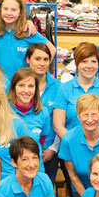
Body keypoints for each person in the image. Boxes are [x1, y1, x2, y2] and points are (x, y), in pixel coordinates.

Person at [53, 42, 99, 139]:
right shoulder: (64, 89)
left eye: (93, 61)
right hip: (72, 146)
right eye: (84, 61)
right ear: (76, 63)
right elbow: (58, 126)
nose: (89, 66)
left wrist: (98, 144)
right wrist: (74, 144)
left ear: (98, 63)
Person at [0, 0, 56, 81]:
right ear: (0, 10)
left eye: (13, 10)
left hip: (23, 85)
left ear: (20, 12)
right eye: (5, 9)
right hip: (1, 84)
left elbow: (52, 49)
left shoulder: (27, 31)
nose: (9, 13)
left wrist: (39, 72)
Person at [25, 43, 61, 184]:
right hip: (24, 153)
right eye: (37, 59)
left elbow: (60, 122)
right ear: (28, 59)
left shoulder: (58, 87)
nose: (42, 63)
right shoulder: (19, 85)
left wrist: (53, 149)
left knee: (46, 194)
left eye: (46, 59)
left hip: (49, 152)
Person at [8, 68, 52, 147]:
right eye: (21, 85)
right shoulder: (4, 110)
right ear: (13, 87)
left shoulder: (43, 112)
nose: (26, 90)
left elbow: (42, 140)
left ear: (36, 89)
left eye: (31, 86)